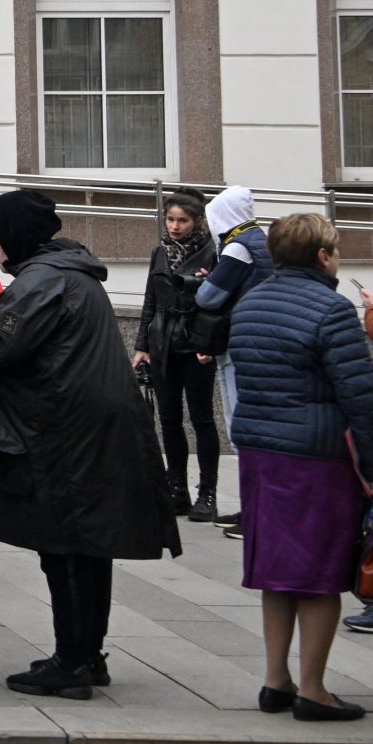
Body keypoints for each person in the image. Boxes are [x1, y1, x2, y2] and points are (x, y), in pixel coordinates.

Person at [0, 191, 180, 702]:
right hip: (87, 429)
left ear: (15, 236)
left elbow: (2, 354)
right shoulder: (70, 272)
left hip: (60, 434)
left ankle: (72, 662)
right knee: (86, 549)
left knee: (64, 549)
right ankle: (85, 653)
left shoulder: (39, 281)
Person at [226, 213, 373, 722]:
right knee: (318, 577)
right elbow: (361, 396)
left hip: (262, 454)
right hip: (316, 458)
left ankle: (275, 680)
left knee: (278, 573)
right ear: (322, 257)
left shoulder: (249, 303)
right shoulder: (332, 310)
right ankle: (313, 689)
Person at [131, 190, 223, 523]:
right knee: (168, 419)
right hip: (162, 342)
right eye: (170, 219)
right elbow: (150, 300)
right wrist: (142, 345)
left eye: (182, 220)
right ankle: (177, 490)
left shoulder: (213, 251)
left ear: (197, 221)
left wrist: (209, 344)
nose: (175, 226)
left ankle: (207, 493)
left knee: (202, 419)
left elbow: (219, 305)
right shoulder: (160, 251)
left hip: (197, 343)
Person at [197, 185, 274, 537]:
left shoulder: (239, 247)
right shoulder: (261, 239)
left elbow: (209, 296)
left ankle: (255, 513)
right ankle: (254, 509)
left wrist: (205, 283)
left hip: (238, 342)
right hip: (259, 341)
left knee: (241, 427)